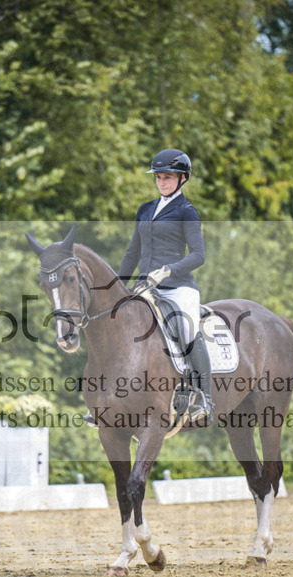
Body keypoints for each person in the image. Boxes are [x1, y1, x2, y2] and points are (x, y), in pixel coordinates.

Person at [118, 148, 213, 422]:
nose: (162, 182)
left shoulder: (186, 211)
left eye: (168, 177)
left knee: (186, 327)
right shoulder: (145, 210)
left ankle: (204, 397)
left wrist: (167, 271)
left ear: (182, 178)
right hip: (145, 288)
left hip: (178, 287)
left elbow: (199, 255)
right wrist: (117, 288)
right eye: (158, 177)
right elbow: (132, 253)